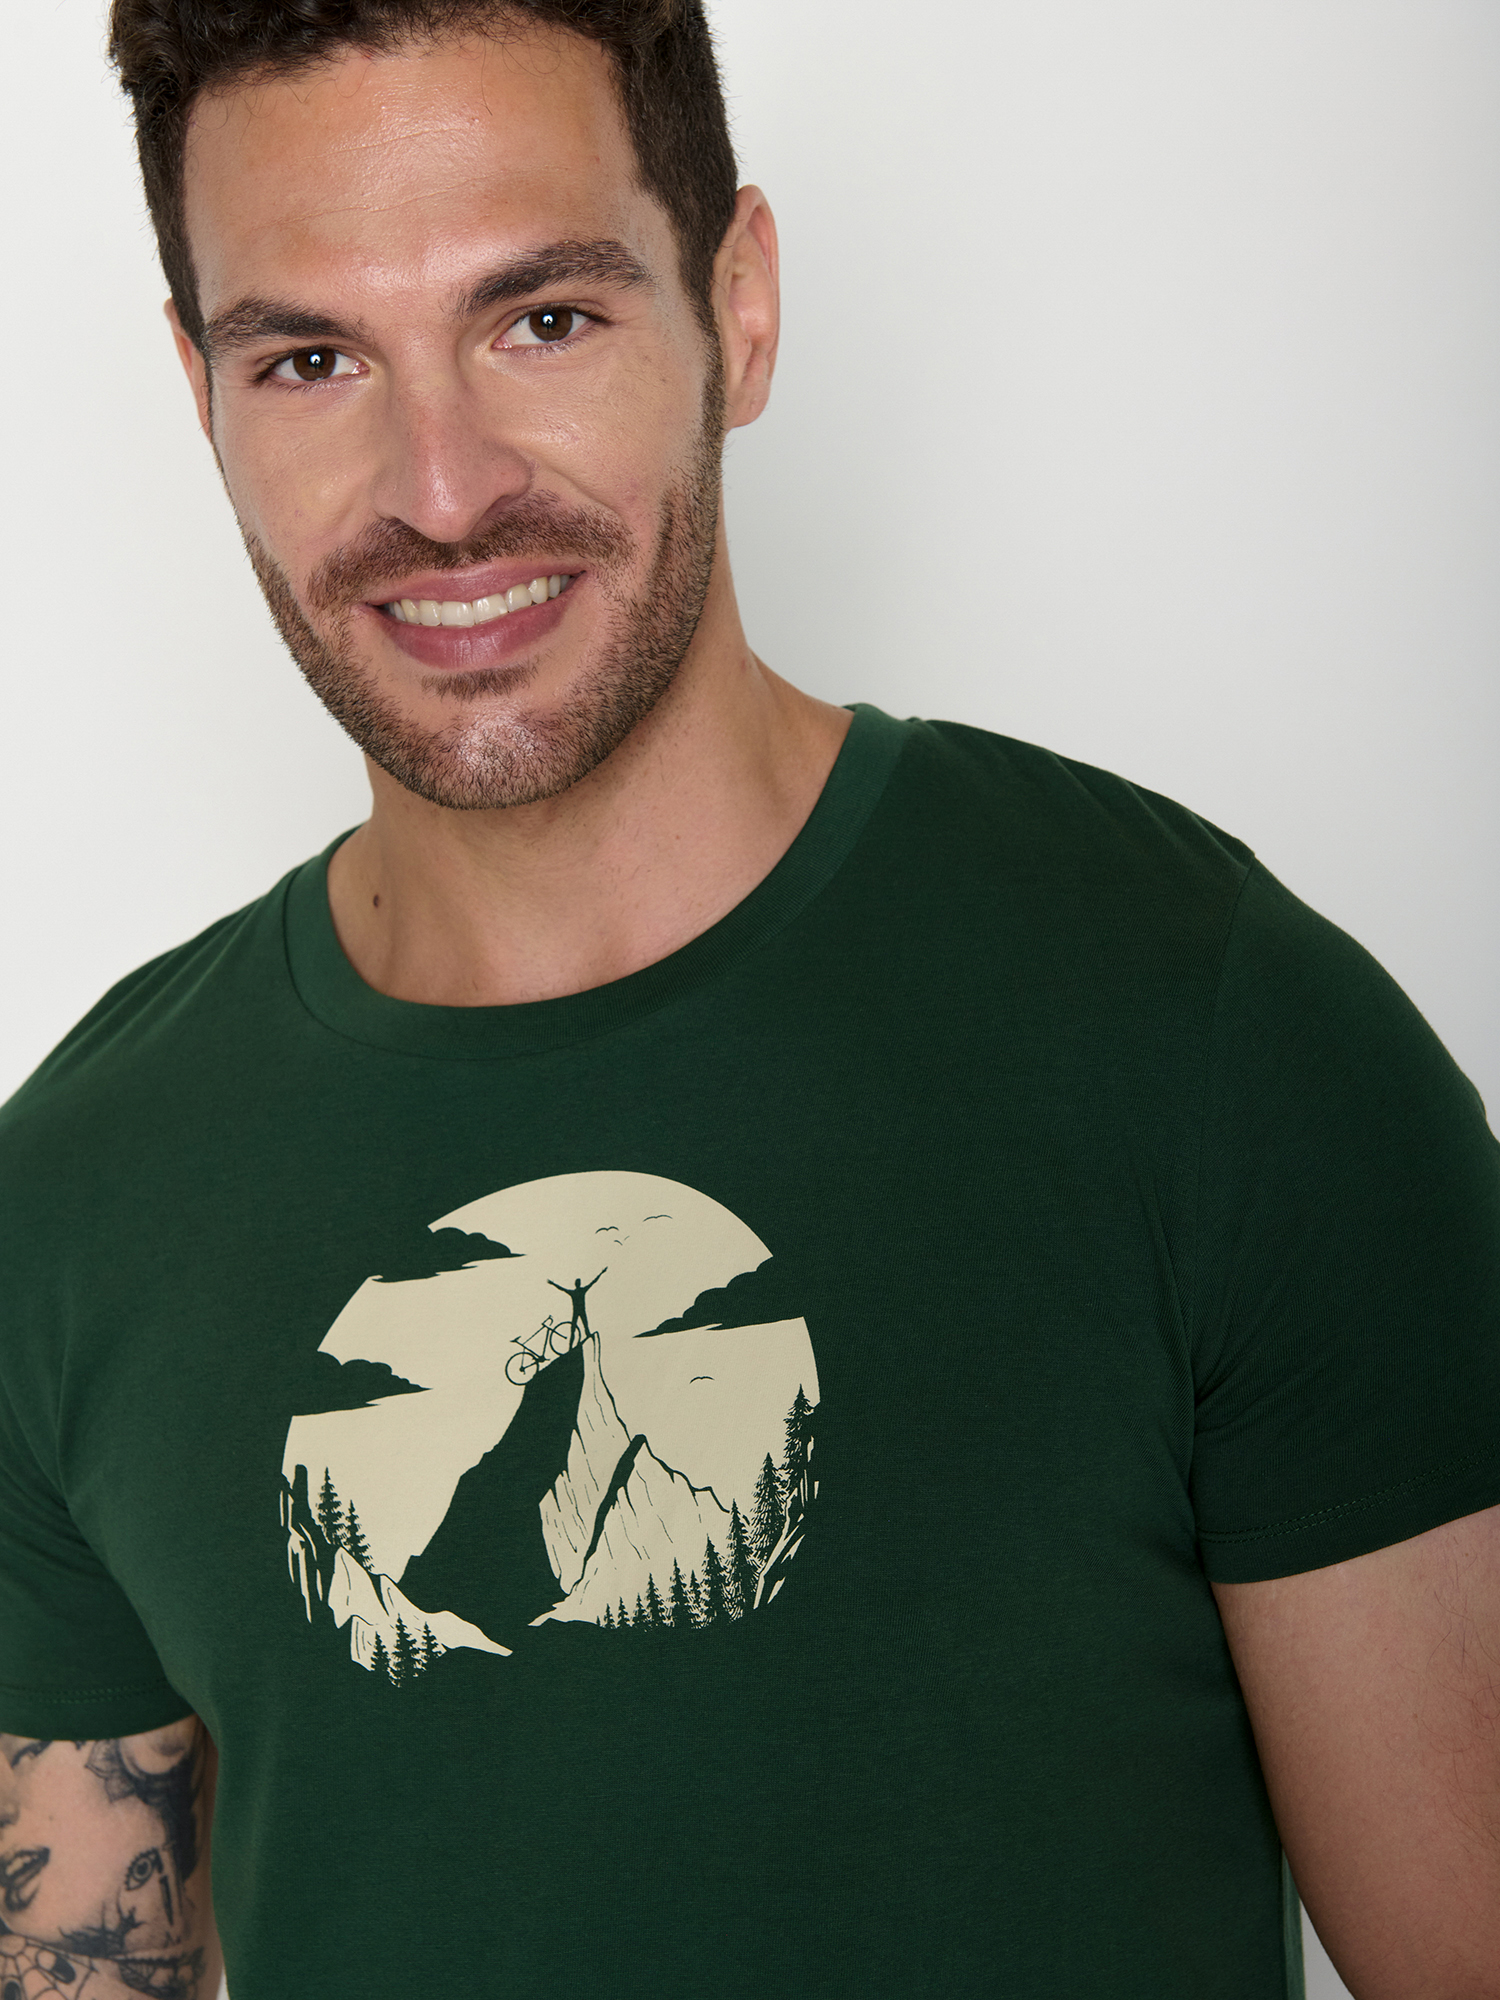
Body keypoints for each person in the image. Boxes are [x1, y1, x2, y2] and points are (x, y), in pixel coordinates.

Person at [0, 3, 1495, 1997]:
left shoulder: (1209, 1033)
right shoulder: (73, 1200)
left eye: (543, 319)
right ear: (202, 395)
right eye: (312, 359)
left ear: (741, 305)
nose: (439, 488)